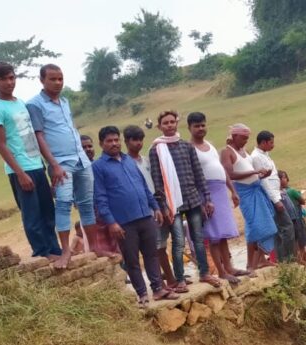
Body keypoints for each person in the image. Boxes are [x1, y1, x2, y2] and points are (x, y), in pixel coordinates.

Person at [92, 126, 177, 306]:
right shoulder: (98, 167)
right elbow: (100, 198)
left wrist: (155, 207)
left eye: (116, 140)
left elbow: (144, 186)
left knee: (151, 254)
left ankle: (158, 289)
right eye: (109, 141)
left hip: (144, 216)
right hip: (123, 222)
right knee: (132, 260)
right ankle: (142, 294)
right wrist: (111, 223)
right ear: (101, 143)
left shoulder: (128, 160)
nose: (114, 143)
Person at [26, 64, 99, 268]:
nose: (58, 83)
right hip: (60, 162)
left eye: (60, 79)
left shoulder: (64, 101)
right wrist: (54, 165)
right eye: (53, 79)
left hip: (80, 159)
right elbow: (39, 136)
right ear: (42, 80)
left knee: (86, 203)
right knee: (64, 203)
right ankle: (66, 250)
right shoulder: (35, 104)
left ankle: (94, 246)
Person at [0, 62, 62, 260]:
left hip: (36, 164)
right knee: (32, 215)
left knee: (47, 210)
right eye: (3, 79)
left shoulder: (19, 102)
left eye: (12, 78)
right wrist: (20, 173)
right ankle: (41, 252)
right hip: (20, 169)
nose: (9, 82)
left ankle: (54, 249)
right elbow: (1, 144)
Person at [149, 111, 222, 288]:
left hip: (192, 198)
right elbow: (157, 180)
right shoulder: (156, 150)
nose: (169, 125)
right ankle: (180, 280)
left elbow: (198, 173)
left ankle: (204, 273)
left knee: (198, 238)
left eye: (172, 122)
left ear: (177, 124)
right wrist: (163, 205)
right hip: (173, 203)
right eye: (165, 123)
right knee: (179, 242)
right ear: (159, 127)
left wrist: (207, 198)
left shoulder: (186, 146)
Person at [188, 112, 250, 284]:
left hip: (221, 190)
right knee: (214, 234)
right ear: (189, 128)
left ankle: (229, 267)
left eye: (202, 125)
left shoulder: (210, 145)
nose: (200, 128)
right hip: (206, 192)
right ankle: (221, 272)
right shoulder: (189, 148)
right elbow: (191, 176)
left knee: (222, 233)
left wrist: (233, 191)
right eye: (196, 126)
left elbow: (222, 169)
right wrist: (201, 200)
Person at [124, 124, 181, 291]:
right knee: (153, 248)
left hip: (156, 206)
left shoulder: (146, 160)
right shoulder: (126, 163)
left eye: (141, 139)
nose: (138, 143)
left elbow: (156, 183)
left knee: (161, 245)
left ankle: (170, 280)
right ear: (127, 141)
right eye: (134, 140)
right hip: (142, 211)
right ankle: (161, 283)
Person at [221, 124, 276, 271]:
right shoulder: (227, 152)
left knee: (266, 224)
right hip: (245, 193)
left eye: (247, 138)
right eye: (243, 138)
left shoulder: (243, 150)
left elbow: (249, 170)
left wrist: (261, 174)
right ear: (234, 136)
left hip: (256, 189)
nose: (246, 141)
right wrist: (255, 172)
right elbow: (230, 174)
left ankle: (260, 260)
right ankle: (251, 264)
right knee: (255, 226)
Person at [251, 131, 295, 263]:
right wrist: (276, 201)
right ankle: (285, 259)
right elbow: (264, 181)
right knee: (286, 227)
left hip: (277, 194)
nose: (273, 145)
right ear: (263, 142)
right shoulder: (257, 157)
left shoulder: (265, 155)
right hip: (272, 198)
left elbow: (272, 177)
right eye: (271, 142)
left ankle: (285, 259)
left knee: (281, 228)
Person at [279, 170, 306, 264]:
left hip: (286, 221)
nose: (284, 179)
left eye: (284, 177)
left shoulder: (280, 192)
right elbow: (303, 201)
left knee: (293, 240)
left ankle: (298, 260)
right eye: (282, 178)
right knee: (301, 241)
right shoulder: (291, 191)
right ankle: (302, 260)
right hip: (297, 219)